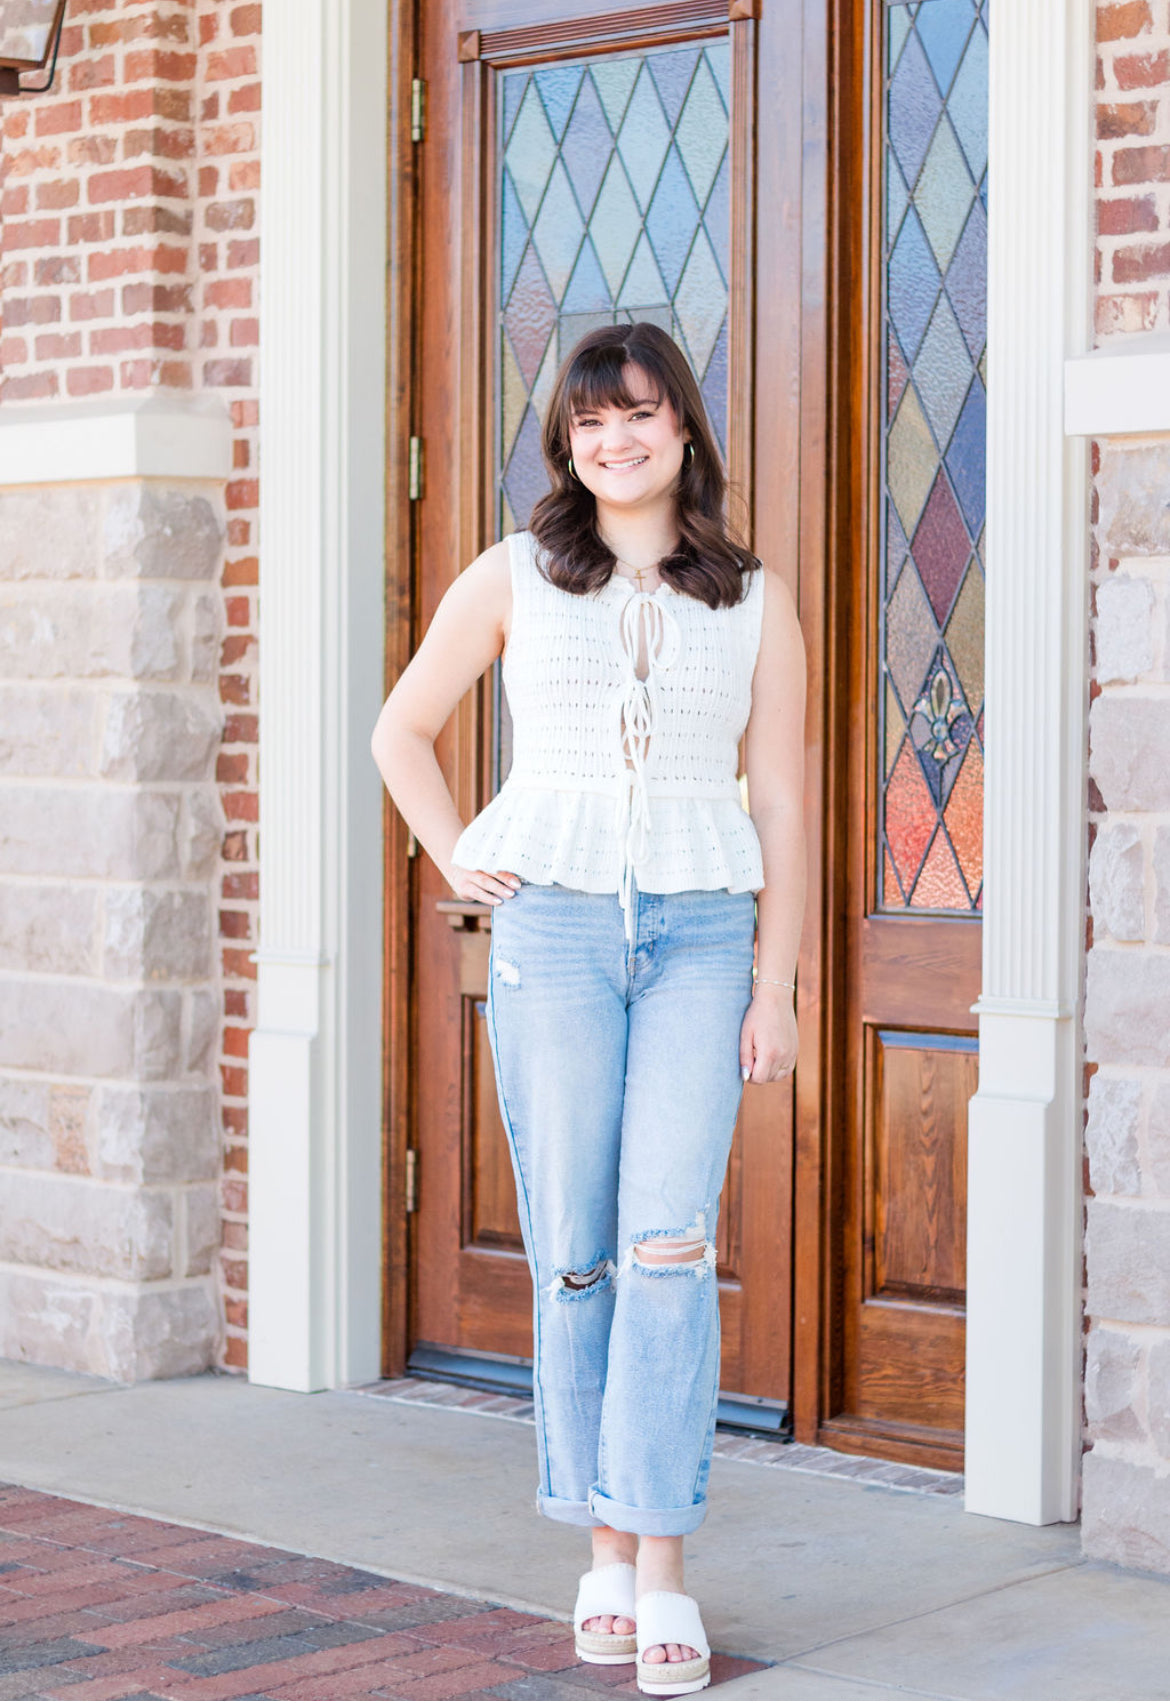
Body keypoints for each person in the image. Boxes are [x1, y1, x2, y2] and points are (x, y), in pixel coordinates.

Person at [371, 321, 806, 1698]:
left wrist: (779, 984)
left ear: (684, 427)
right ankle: (602, 1547)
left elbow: (785, 800)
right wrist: (455, 850)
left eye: (639, 416)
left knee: (667, 1243)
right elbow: (401, 729)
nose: (614, 442)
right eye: (588, 422)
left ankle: (657, 1563)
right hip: (554, 932)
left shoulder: (751, 598)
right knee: (574, 1247)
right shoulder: (514, 574)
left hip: (697, 937)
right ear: (566, 444)